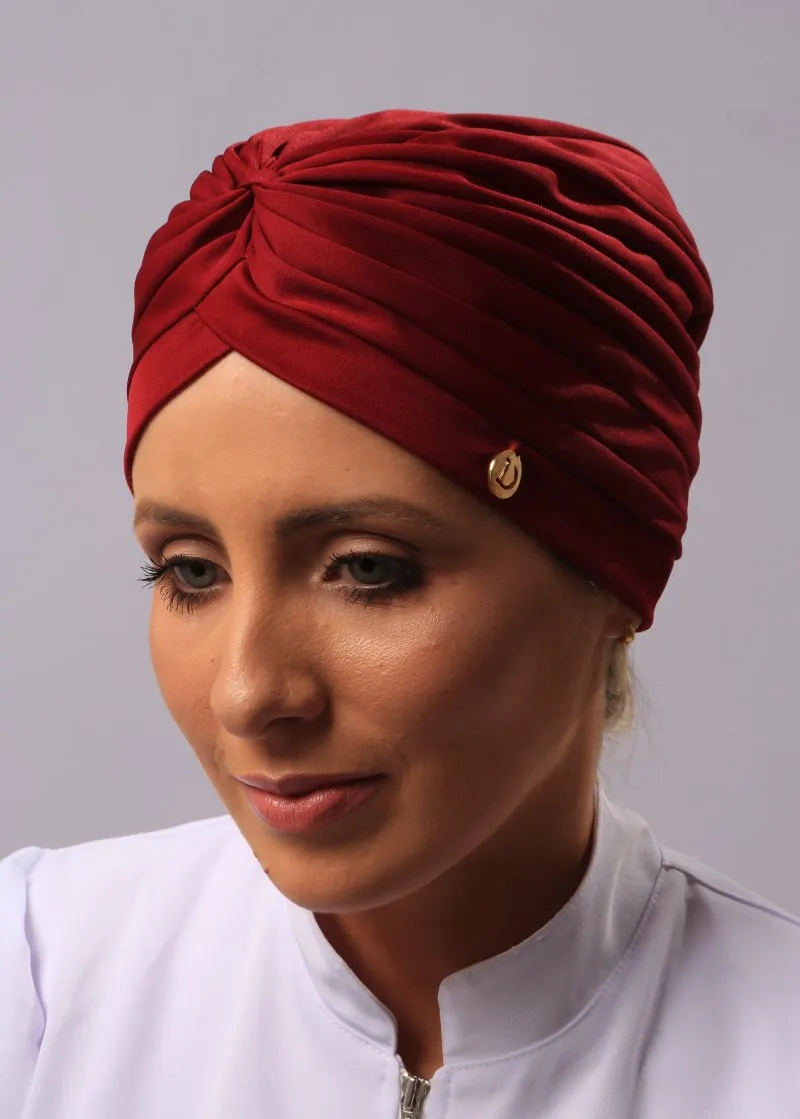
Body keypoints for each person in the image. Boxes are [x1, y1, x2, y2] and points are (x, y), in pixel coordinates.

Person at [1, 109, 798, 1119]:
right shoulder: (38, 980)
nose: (248, 694)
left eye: (368, 569)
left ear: (612, 574)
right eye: (191, 572)